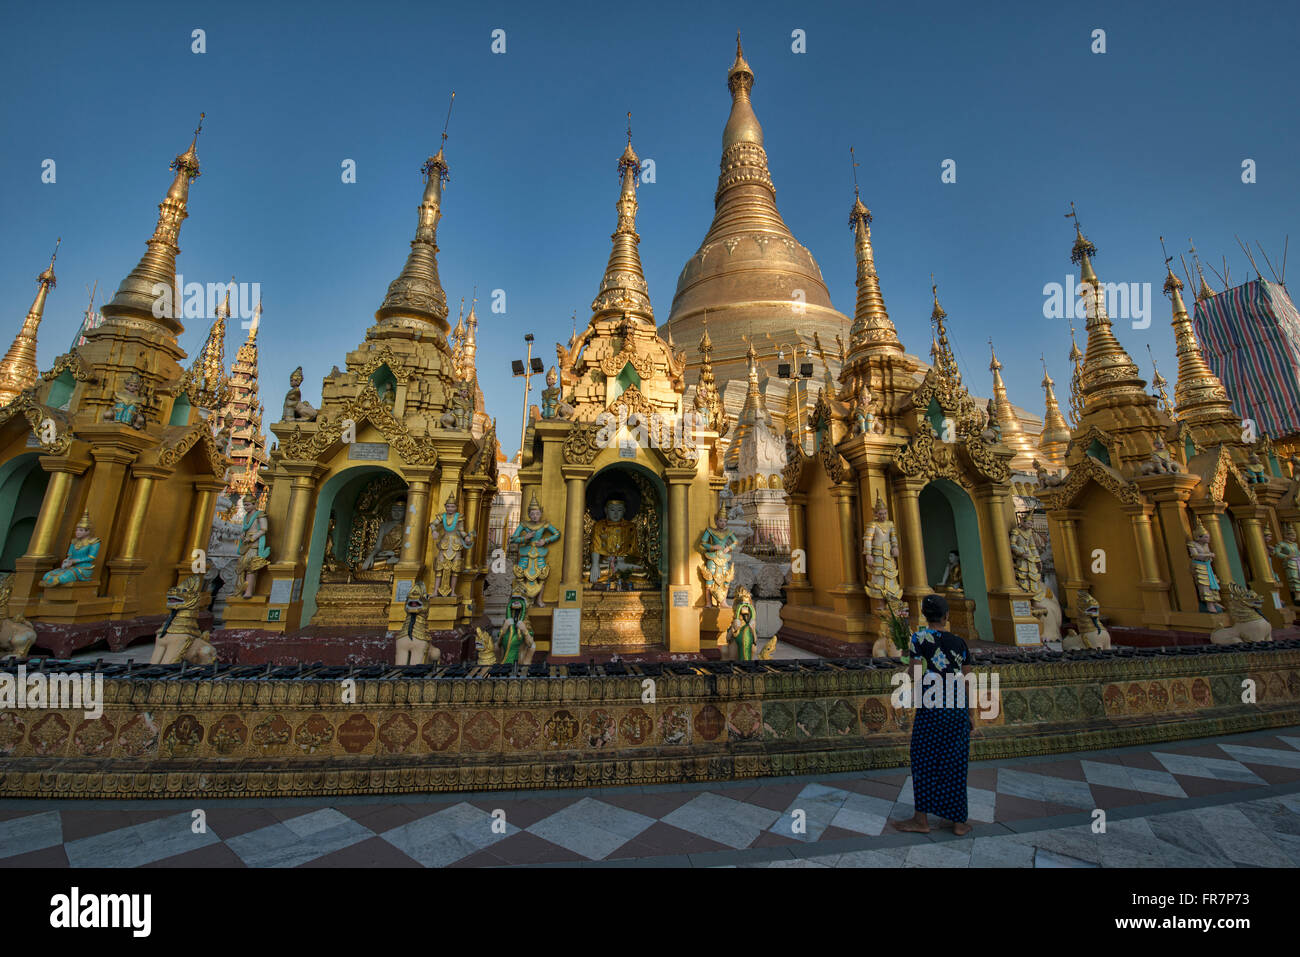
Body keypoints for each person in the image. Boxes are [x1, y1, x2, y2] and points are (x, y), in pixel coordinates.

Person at [892, 593, 978, 837]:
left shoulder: (919, 638)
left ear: (924, 616)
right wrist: (971, 714)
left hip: (932, 707)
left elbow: (915, 673)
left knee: (924, 760)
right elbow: (968, 679)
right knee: (956, 762)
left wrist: (910, 670)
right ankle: (959, 821)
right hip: (957, 707)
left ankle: (922, 820)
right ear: (947, 616)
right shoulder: (960, 643)